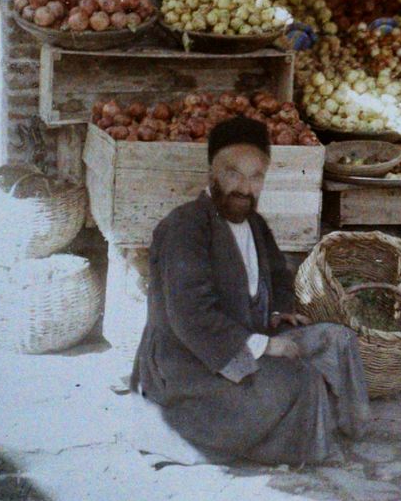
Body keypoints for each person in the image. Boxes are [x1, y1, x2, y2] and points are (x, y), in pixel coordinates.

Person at [131, 117, 373, 464]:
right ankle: (190, 435)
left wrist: (278, 311)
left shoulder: (254, 223)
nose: (245, 187)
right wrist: (264, 346)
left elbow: (278, 275)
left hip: (247, 337)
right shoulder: (185, 227)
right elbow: (190, 316)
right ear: (211, 172)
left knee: (339, 340)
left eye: (256, 175)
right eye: (233, 173)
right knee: (299, 380)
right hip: (191, 365)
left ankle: (348, 430)